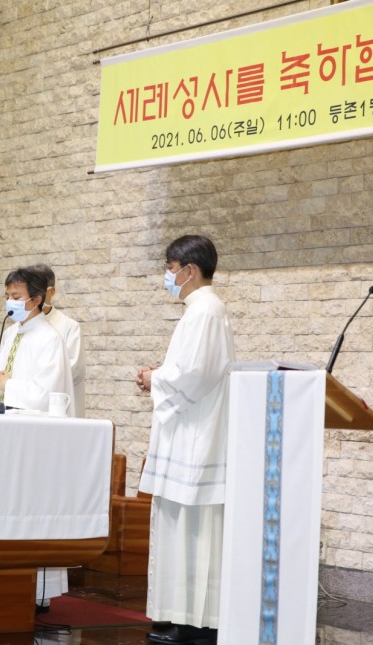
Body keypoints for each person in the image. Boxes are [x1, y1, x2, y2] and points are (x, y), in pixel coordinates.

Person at [135, 235, 236, 645]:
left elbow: (193, 376)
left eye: (170, 268)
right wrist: (162, 372)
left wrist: (153, 377)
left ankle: (196, 624)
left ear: (190, 270)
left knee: (193, 532)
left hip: (195, 440)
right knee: (184, 529)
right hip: (191, 434)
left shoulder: (205, 311)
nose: (167, 276)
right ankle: (183, 617)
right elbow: (192, 368)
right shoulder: (202, 310)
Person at [0, 265, 75, 609]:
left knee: (32, 508)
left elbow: (47, 393)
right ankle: (4, 578)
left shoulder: (50, 339)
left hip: (36, 442)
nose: (10, 302)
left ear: (36, 299)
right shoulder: (11, 334)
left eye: (16, 297)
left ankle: (38, 592)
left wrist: (7, 383)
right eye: (7, 296)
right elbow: (2, 379)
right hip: (8, 435)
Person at [36, 264, 86, 417]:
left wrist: (35, 382)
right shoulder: (15, 330)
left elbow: (73, 369)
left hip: (59, 411)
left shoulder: (69, 327)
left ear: (51, 292)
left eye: (37, 291)